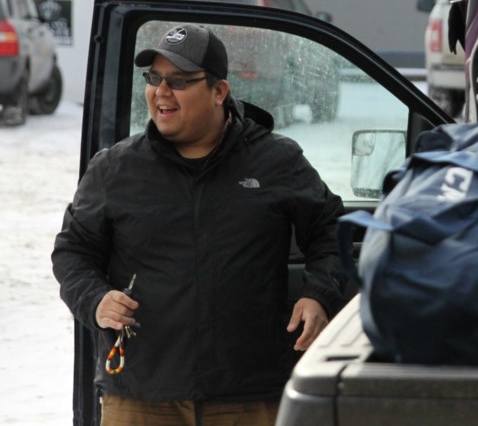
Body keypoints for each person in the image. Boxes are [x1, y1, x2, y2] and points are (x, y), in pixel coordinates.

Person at [52, 23, 348, 426]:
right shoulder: (116, 169)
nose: (161, 92)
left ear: (219, 92)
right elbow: (74, 252)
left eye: (179, 81)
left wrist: (319, 295)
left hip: (249, 394)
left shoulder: (276, 162)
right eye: (154, 78)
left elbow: (333, 230)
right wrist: (95, 300)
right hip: (142, 395)